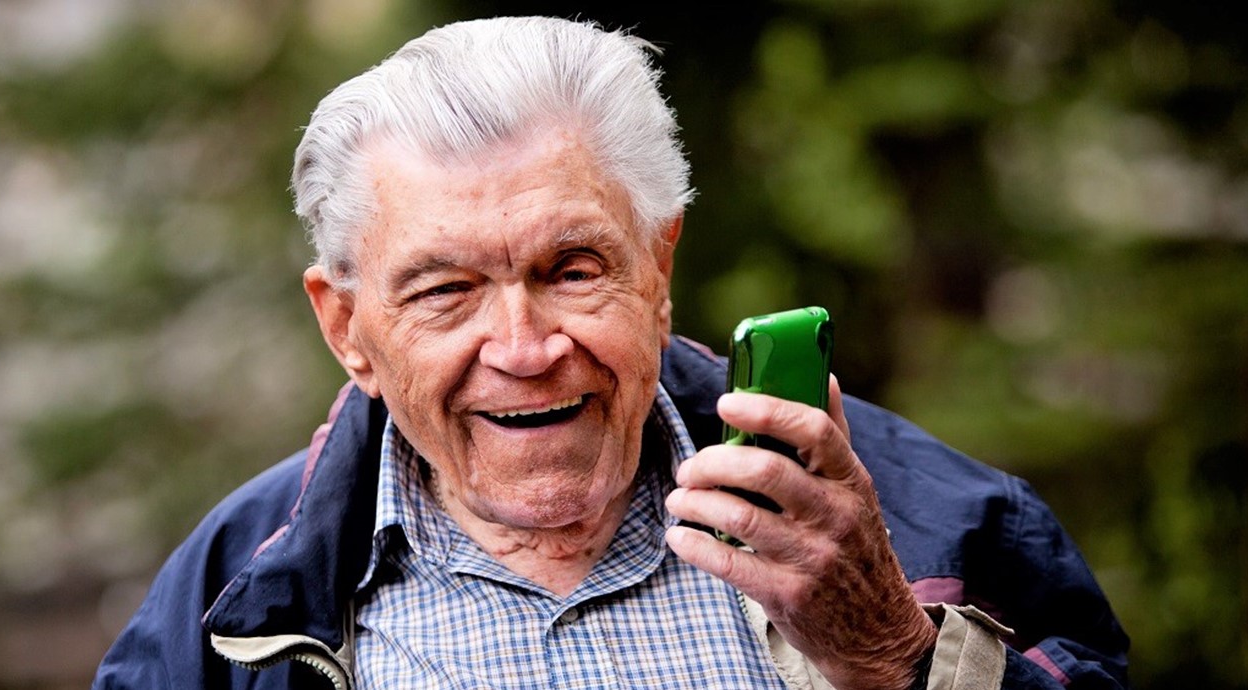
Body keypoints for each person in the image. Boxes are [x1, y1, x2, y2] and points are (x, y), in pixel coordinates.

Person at [94, 16, 1128, 689]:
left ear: (658, 261)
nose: (524, 346)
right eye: (444, 290)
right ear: (346, 329)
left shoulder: (931, 529)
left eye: (571, 268)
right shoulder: (231, 600)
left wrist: (894, 656)